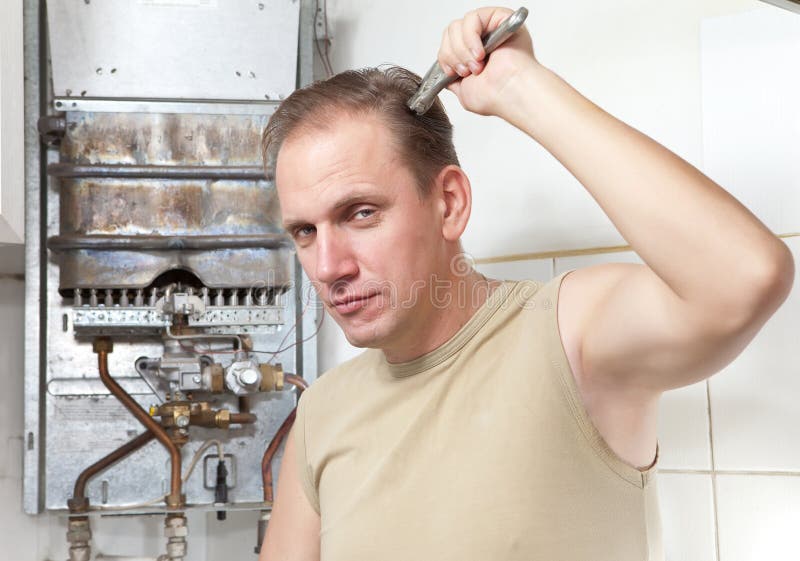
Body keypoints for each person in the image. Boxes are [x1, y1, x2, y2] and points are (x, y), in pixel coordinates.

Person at [258, 7, 794, 561]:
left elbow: (747, 277)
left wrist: (520, 87)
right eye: (304, 231)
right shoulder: (323, 413)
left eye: (361, 213)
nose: (327, 266)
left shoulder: (568, 338)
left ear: (449, 203)